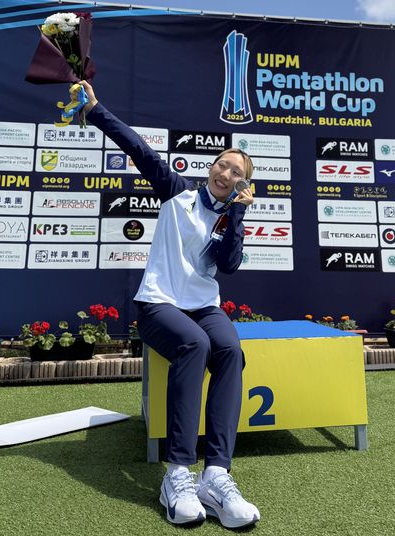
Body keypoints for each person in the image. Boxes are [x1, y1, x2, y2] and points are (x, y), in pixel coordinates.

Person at [80, 80, 260, 529]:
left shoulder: (229, 217)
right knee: (195, 345)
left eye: (236, 173)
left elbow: (229, 265)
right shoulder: (178, 194)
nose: (226, 174)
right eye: (222, 165)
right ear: (212, 167)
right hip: (158, 305)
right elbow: (138, 148)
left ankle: (216, 475)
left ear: (243, 184)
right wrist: (96, 109)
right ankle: (178, 473)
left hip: (204, 306)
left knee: (230, 350)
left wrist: (237, 215)